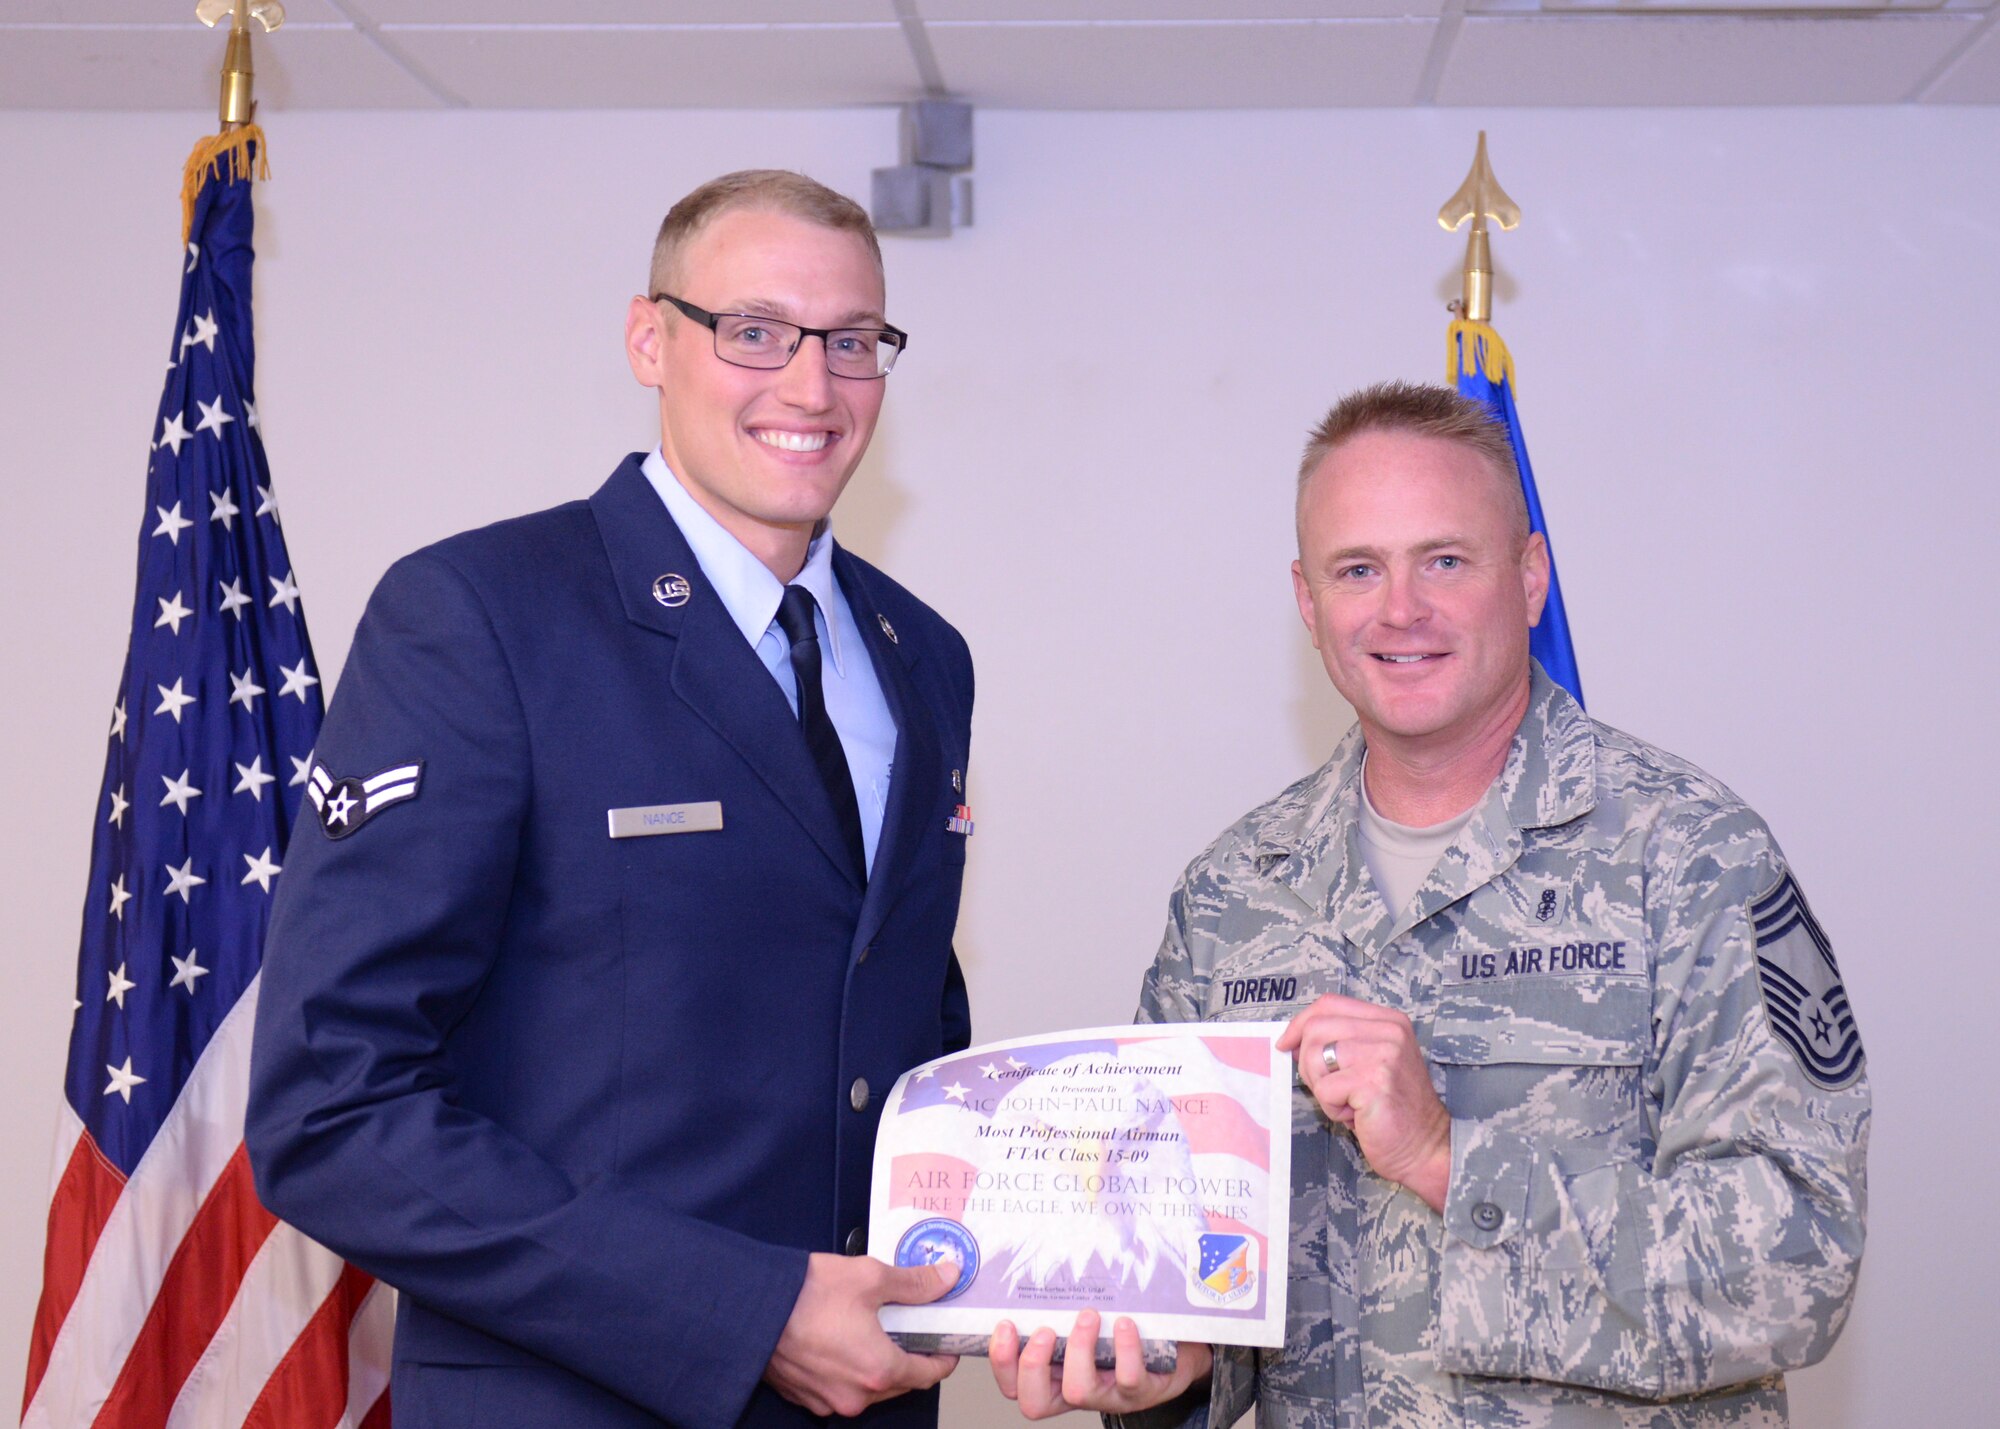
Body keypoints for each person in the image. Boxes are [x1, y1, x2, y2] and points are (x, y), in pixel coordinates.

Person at [247, 170, 977, 1429]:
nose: (810, 386)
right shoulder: (481, 615)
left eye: (852, 342)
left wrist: (1035, 1272)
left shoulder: (924, 655)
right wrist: (743, 1313)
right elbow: (333, 1110)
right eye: (753, 330)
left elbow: (899, 1033)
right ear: (650, 337)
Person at [989, 381, 1868, 1426]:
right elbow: (1184, 1265)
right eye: (1356, 569)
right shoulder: (1232, 893)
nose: (1398, 609)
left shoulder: (1686, 857)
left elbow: (1795, 1265)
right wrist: (1160, 1368)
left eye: (1443, 560)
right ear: (1308, 601)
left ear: (1530, 577)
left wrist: (1447, 1159)